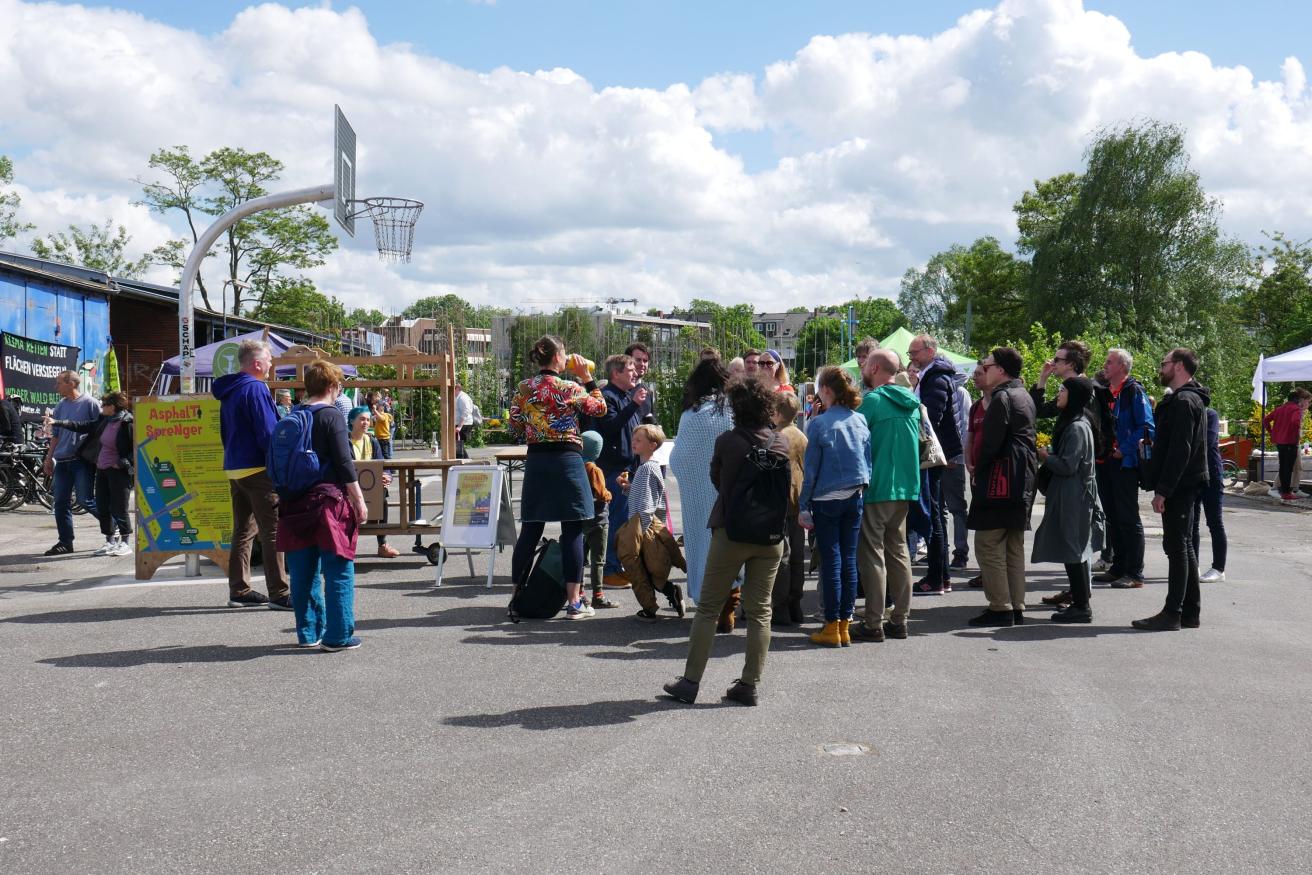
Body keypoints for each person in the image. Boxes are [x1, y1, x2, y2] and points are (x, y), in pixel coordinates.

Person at [661, 376, 791, 707]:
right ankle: (749, 684)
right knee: (761, 611)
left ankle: (690, 682)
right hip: (770, 535)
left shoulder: (727, 441)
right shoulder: (780, 443)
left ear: (735, 408)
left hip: (731, 531)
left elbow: (716, 479)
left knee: (708, 607)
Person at [508, 335, 608, 619]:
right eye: (564, 355)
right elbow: (600, 408)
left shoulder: (524, 388)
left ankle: (517, 597)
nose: (566, 360)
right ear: (556, 358)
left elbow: (514, 424)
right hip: (567, 460)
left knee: (531, 528)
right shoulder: (570, 387)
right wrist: (587, 377)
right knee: (573, 529)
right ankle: (574, 602)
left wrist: (537, 425)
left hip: (537, 460)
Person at [275, 361, 369, 650]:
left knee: (303, 573)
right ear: (331, 387)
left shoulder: (294, 414)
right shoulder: (331, 416)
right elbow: (344, 462)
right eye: (339, 385)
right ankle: (338, 635)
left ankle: (308, 632)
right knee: (338, 568)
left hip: (293, 503)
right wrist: (359, 499)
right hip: (328, 502)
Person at [1133, 348, 1209, 632]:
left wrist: (1163, 490)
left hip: (1180, 484)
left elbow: (1181, 451)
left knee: (1177, 547)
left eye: (1163, 363)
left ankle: (1173, 613)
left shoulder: (1184, 401)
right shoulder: (1187, 399)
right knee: (1183, 545)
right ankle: (1189, 612)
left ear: (1177, 366)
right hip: (1185, 482)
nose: (1160, 367)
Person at [212, 340, 291, 610]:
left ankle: (240, 589)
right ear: (257, 363)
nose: (271, 365)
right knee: (272, 531)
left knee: (243, 531)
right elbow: (268, 434)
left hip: (235, 466)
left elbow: (225, 431)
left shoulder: (230, 389)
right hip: (258, 468)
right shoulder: (256, 388)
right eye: (269, 360)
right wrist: (281, 466)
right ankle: (279, 592)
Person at [798, 366, 870, 647]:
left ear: (827, 390)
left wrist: (804, 505)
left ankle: (831, 625)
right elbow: (868, 459)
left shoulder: (819, 424)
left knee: (832, 561)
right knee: (849, 560)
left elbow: (811, 470)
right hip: (855, 494)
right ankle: (844, 625)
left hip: (827, 498)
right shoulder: (860, 420)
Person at [851, 350, 920, 642]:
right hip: (905, 487)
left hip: (878, 487)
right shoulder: (912, 402)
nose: (863, 368)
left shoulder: (872, 402)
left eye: (866, 364)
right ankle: (900, 619)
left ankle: (873, 622)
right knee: (899, 552)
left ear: (875, 367)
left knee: (872, 555)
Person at [966, 347, 1037, 627]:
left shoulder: (1002, 397)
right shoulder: (1024, 395)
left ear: (1002, 370)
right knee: (1012, 544)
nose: (984, 369)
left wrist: (978, 470)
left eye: (988, 365)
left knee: (988, 542)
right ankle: (1016, 604)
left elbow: (990, 444)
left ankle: (1000, 606)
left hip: (1002, 478)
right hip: (1023, 477)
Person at [1032, 377, 1103, 623]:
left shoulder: (1076, 427)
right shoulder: (1076, 423)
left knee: (1073, 548)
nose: (1058, 394)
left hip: (1074, 494)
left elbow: (1068, 465)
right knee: (1075, 547)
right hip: (1072, 492)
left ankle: (1082, 606)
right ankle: (1080, 602)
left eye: (1062, 391)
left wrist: (1045, 456)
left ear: (1073, 395)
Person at [669, 357, 734, 605]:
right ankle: (730, 601)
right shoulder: (732, 410)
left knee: (700, 543)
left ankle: (705, 599)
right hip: (726, 489)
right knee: (730, 546)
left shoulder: (691, 413)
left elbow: (678, 458)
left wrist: (694, 477)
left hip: (696, 493)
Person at [907, 334, 964, 596]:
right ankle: (942, 576)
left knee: (934, 516)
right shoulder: (934, 375)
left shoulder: (936, 377)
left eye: (914, 352)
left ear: (930, 351)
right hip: (936, 453)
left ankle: (935, 577)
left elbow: (930, 416)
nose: (911, 358)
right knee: (936, 514)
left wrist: (910, 398)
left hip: (933, 455)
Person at [46, 392, 134, 557]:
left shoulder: (127, 423)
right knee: (103, 506)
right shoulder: (104, 421)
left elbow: (135, 449)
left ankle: (125, 543)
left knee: (119, 507)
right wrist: (57, 422)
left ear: (112, 407)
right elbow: (81, 425)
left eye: (104, 405)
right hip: (102, 469)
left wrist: (122, 463)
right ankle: (110, 542)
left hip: (117, 472)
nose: (101, 408)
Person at [1095, 348, 1154, 588]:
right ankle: (1118, 567)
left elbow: (1147, 427)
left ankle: (1135, 573)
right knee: (1112, 517)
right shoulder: (1106, 392)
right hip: (1105, 461)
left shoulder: (1133, 391)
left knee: (1128, 518)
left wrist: (1125, 449)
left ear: (1122, 367)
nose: (1105, 365)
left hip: (1124, 463)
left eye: (1109, 362)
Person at [615, 424, 686, 621]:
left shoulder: (646, 469)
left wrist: (640, 532)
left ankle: (650, 607)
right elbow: (646, 496)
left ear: (652, 445)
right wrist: (628, 487)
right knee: (651, 569)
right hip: (648, 524)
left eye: (639, 440)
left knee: (639, 568)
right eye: (633, 439)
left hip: (644, 526)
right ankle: (669, 594)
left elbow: (646, 504)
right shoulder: (647, 467)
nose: (633, 443)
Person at [594, 353, 649, 589]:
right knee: (615, 520)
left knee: (622, 519)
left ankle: (615, 566)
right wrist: (634, 404)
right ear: (615, 373)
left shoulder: (625, 397)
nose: (635, 373)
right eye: (629, 370)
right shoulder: (607, 397)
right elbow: (610, 426)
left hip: (626, 467)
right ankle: (609, 571)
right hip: (613, 469)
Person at [41, 370, 99, 555]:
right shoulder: (60, 405)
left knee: (85, 500)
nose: (56, 386)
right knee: (60, 503)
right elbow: (56, 435)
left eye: (59, 383)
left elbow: (101, 430)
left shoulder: (90, 403)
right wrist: (49, 458)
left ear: (71, 383)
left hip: (82, 461)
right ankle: (65, 542)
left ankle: (114, 524)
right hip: (63, 461)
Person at [770, 392, 808, 626]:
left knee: (781, 558)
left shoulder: (776, 438)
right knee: (797, 555)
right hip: (799, 499)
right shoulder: (801, 436)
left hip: (781, 502)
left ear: (776, 413)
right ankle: (796, 603)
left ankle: (781, 606)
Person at [347, 406, 400, 558]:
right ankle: (347, 547)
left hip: (371, 487)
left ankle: (382, 544)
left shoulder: (372, 440)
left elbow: (384, 465)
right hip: (350, 486)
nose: (366, 422)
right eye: (362, 419)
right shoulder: (344, 441)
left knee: (382, 497)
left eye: (368, 420)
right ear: (352, 421)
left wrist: (387, 476)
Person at [579, 430, 617, 610]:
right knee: (598, 560)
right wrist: (611, 493)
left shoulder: (576, 466)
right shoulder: (594, 469)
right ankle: (598, 595)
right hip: (599, 520)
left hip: (581, 519)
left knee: (580, 557)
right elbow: (602, 495)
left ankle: (579, 593)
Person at [1192, 406, 1228, 583]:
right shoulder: (1185, 413)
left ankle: (1219, 568)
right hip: (1192, 475)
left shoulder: (1210, 414)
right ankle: (1193, 564)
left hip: (1211, 474)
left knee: (1214, 522)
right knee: (1192, 523)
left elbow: (1208, 441)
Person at [944, 367, 972, 569]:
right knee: (939, 509)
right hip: (935, 460)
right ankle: (939, 550)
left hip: (953, 460)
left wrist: (957, 455)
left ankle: (960, 552)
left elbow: (964, 426)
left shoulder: (960, 392)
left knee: (956, 508)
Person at [1263, 388, 1310, 501]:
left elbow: (1265, 420)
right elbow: (1295, 422)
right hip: (1290, 442)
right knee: (1288, 469)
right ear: (1297, 399)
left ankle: (1285, 492)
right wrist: (1296, 435)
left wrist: (1271, 432)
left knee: (1283, 467)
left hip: (1280, 442)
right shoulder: (1295, 409)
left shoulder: (1279, 409)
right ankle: (1286, 493)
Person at [625, 342, 657, 424]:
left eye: (645, 361)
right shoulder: (618, 389)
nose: (642, 364)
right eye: (638, 360)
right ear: (627, 360)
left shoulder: (648, 391)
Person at [453, 382, 474, 459]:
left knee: (458, 444)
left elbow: (466, 412)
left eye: (452, 389)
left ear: (457, 388)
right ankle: (465, 461)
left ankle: (464, 461)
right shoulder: (457, 396)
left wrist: (459, 426)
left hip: (464, 424)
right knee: (457, 444)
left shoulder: (462, 397)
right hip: (460, 423)